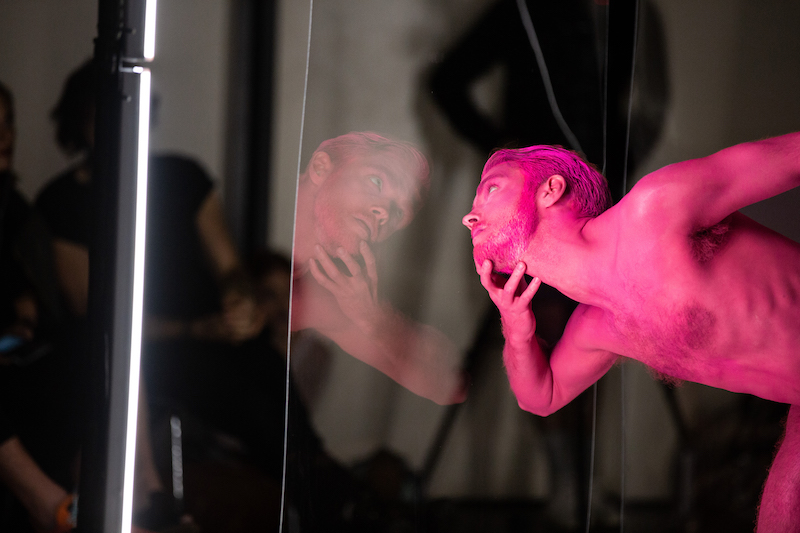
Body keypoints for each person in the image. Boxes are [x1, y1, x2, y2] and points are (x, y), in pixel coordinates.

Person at [461, 136, 800, 532]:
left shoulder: (657, 208)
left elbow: (791, 157)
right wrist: (517, 330)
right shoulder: (599, 327)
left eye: (491, 189)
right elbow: (541, 397)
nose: (469, 217)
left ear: (550, 190)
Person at [291, 132, 466, 405]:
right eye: (376, 181)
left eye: (397, 212)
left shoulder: (328, 292)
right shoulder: (245, 207)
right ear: (320, 168)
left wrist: (372, 318)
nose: (384, 211)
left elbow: (451, 384)